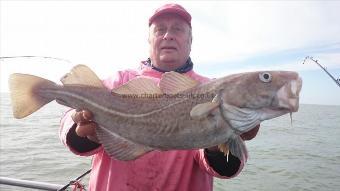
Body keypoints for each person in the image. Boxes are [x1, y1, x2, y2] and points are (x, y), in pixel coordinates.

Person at [60, 3, 259, 191]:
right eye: (159, 30)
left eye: (178, 29)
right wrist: (85, 135)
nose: (168, 36)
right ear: (149, 40)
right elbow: (70, 118)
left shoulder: (213, 90)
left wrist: (217, 146)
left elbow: (227, 168)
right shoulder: (118, 82)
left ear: (190, 41)